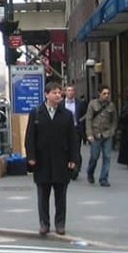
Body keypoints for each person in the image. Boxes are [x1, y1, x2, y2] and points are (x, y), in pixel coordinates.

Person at [25, 81, 80, 236]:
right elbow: (30, 137)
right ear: (46, 94)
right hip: (42, 161)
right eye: (55, 93)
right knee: (43, 195)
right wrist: (31, 157)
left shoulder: (67, 115)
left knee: (61, 195)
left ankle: (60, 223)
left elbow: (73, 139)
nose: (58, 95)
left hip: (61, 160)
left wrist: (73, 159)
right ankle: (44, 223)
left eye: (59, 93)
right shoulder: (36, 113)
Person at [84, 85, 117, 187]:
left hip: (107, 134)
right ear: (99, 94)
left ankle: (104, 178)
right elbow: (88, 119)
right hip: (95, 134)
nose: (106, 96)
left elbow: (114, 120)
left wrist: (112, 131)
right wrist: (89, 134)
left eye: (108, 93)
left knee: (107, 157)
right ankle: (90, 172)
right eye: (104, 93)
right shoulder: (93, 104)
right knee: (94, 156)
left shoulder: (111, 105)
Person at [62, 84, 83, 179]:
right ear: (65, 92)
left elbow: (83, 115)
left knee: (76, 150)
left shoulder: (80, 103)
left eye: (72, 90)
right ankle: (66, 169)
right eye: (68, 90)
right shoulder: (60, 104)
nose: (70, 92)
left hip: (76, 129)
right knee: (65, 150)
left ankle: (75, 170)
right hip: (63, 130)